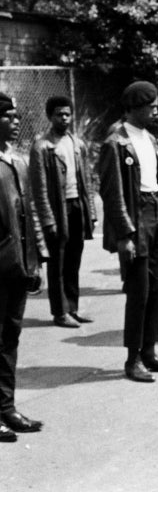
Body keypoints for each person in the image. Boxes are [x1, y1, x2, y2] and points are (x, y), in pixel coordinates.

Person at [97, 82, 158, 383]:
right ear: (134, 107)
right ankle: (133, 359)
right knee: (139, 293)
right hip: (135, 218)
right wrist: (125, 235)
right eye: (151, 105)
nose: (155, 110)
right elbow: (112, 193)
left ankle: (150, 352)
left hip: (154, 213)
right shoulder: (116, 142)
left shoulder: (149, 138)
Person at [29, 95, 97, 328]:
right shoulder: (42, 147)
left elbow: (86, 180)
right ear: (50, 117)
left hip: (77, 206)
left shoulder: (77, 144)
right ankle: (60, 312)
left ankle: (73, 308)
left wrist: (91, 212)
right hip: (57, 210)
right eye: (59, 114)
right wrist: (48, 220)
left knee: (74, 260)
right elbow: (38, 189)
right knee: (57, 263)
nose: (65, 118)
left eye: (68, 114)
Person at [0, 93, 46, 440]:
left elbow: (27, 218)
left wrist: (35, 261)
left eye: (17, 117)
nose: (16, 123)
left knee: (9, 338)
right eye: (9, 117)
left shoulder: (16, 161)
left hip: (16, 268)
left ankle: (6, 408)